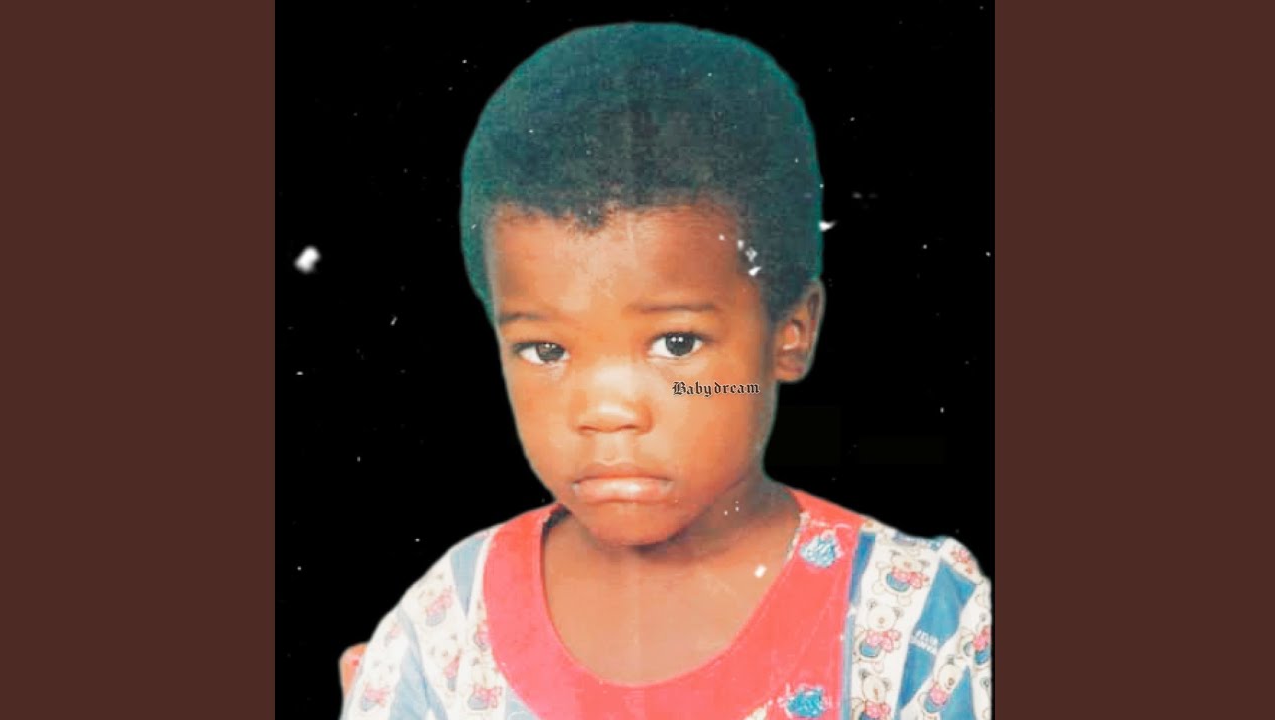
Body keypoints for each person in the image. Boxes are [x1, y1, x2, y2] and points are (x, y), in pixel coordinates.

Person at [339, 22, 991, 720]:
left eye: (677, 344)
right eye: (546, 350)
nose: (607, 410)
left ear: (791, 331)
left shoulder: (915, 621)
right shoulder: (446, 626)